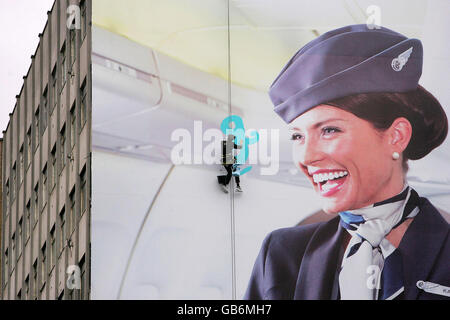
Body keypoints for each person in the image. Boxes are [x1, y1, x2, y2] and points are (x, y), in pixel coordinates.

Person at [244, 24, 449, 300]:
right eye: (297, 136)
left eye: (329, 130)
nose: (305, 157)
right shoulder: (282, 256)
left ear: (396, 136)